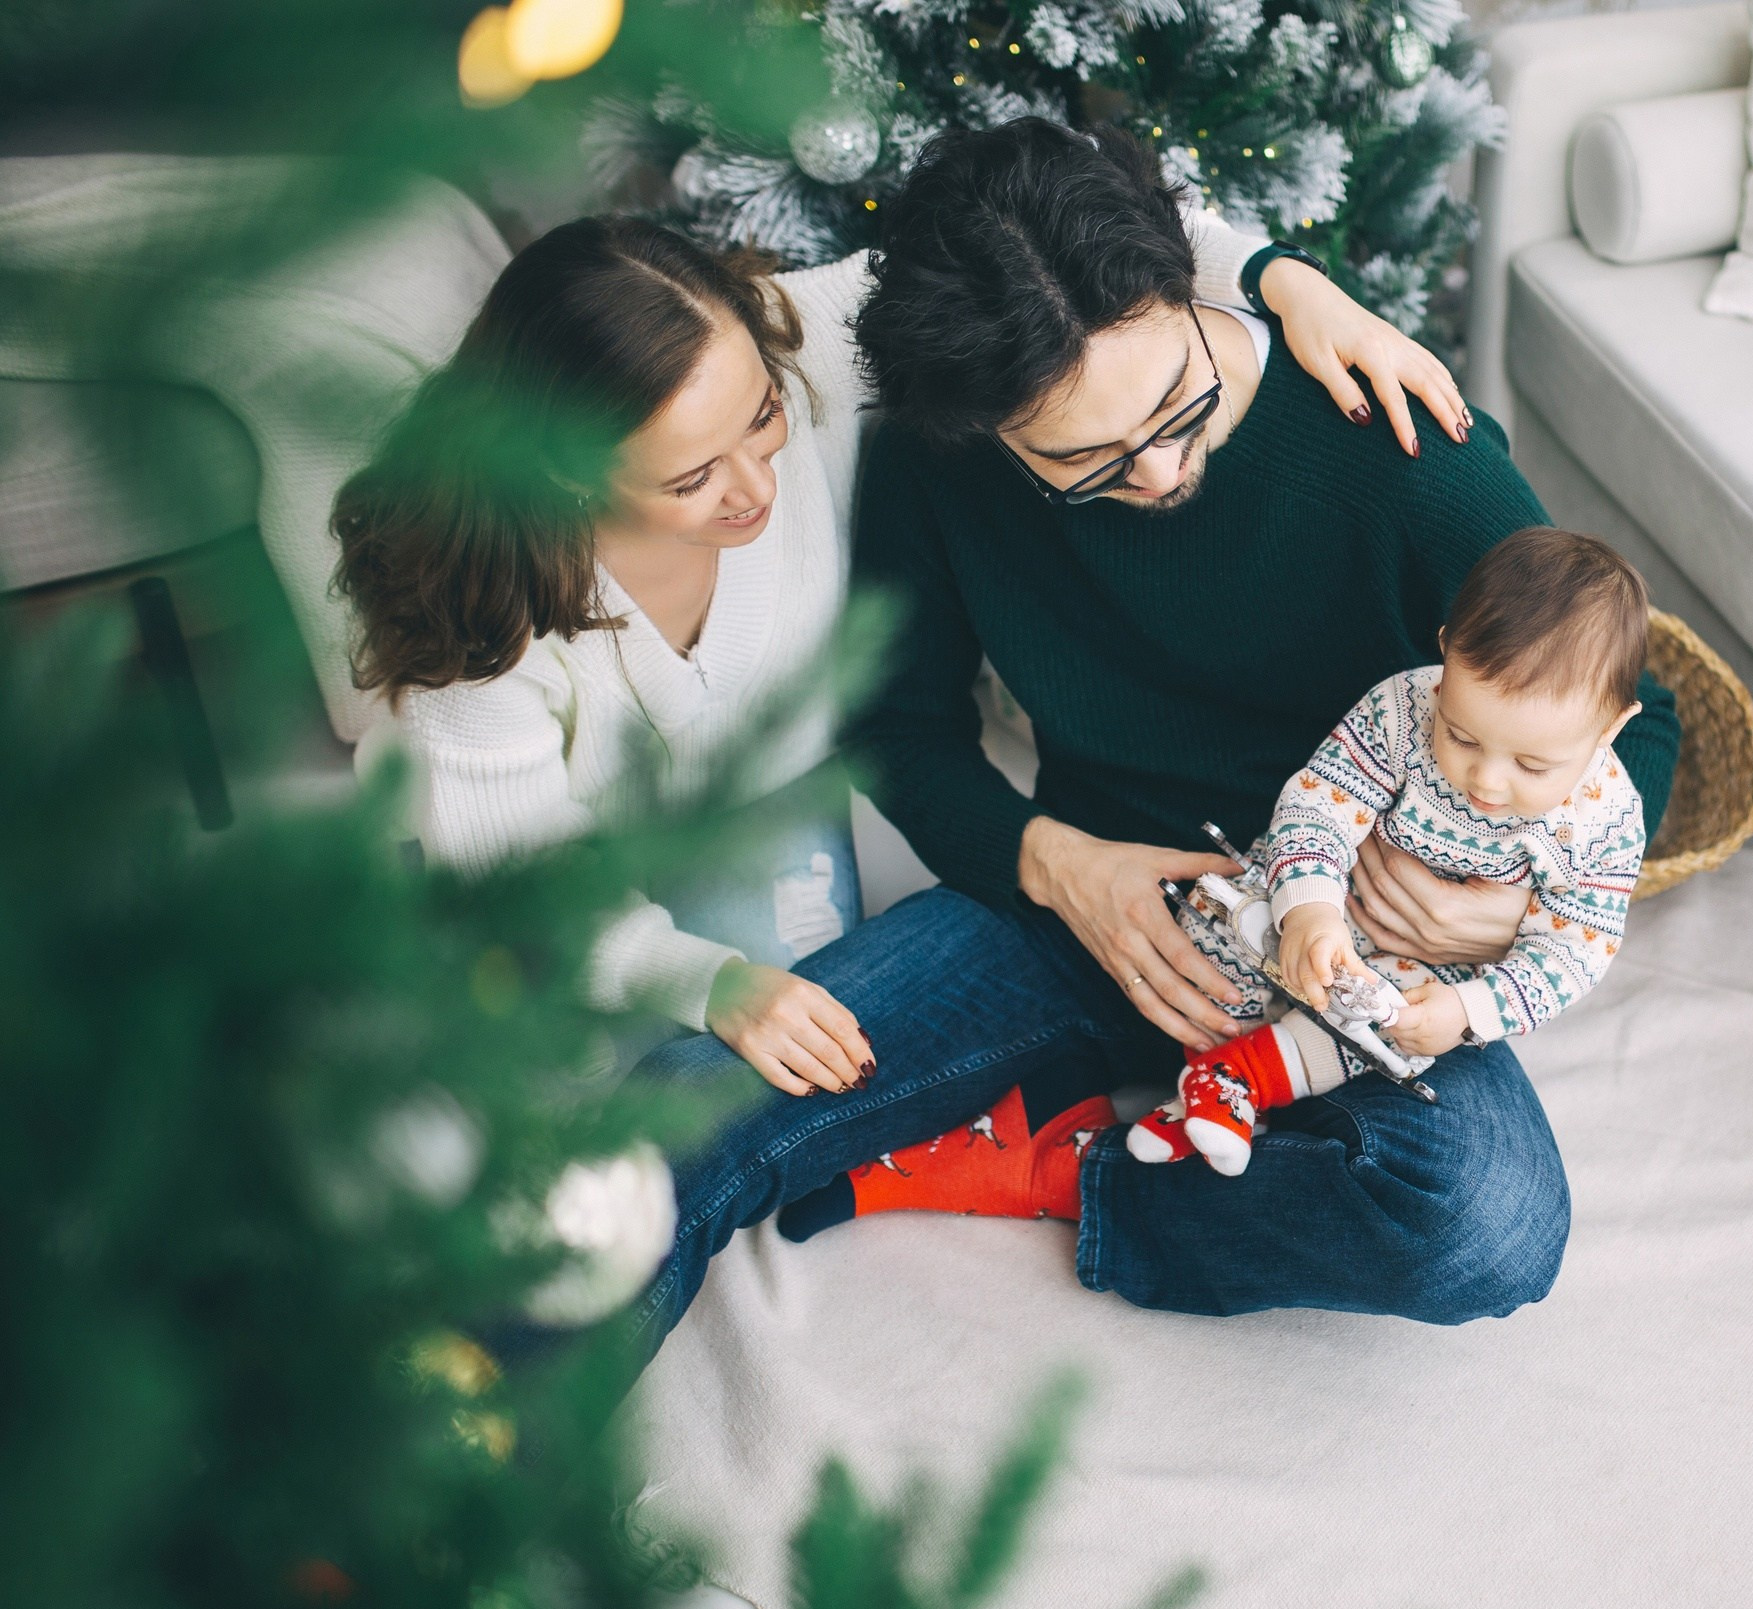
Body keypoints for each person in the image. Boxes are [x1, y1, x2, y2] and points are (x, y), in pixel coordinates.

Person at [325, 201, 1468, 1338]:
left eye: (762, 420)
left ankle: (1057, 1174)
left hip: (762, 809)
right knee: (603, 1109)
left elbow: (1058, 232)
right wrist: (700, 979)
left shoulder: (809, 344)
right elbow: (528, 881)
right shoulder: (476, 610)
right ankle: (458, 1437)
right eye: (690, 481)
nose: (755, 488)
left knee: (812, 1055)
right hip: (548, 868)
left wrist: (1291, 285)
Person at [707, 117, 1683, 1336]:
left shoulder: (1393, 436)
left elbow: (1640, 726)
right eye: (1087, 462)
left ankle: (1071, 1173)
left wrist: (1499, 910)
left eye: (1179, 404)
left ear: (1186, 286)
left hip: (1353, 960)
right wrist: (1055, 863)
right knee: (697, 1107)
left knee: (1484, 1224)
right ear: (984, 432)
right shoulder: (936, 453)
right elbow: (897, 729)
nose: (1162, 476)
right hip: (1083, 898)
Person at [1122, 526, 1652, 1175]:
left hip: (1426, 968)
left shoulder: (1606, 823)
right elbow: (1321, 801)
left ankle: (1239, 1083)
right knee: (1220, 924)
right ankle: (1202, 1072)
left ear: (1613, 728)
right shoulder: (1403, 707)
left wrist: (1467, 1012)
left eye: (1533, 766)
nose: (1486, 781)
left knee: (1384, 1036)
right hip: (1331, 892)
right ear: (1446, 655)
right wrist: (1311, 910)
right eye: (1460, 735)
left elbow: (1574, 951)